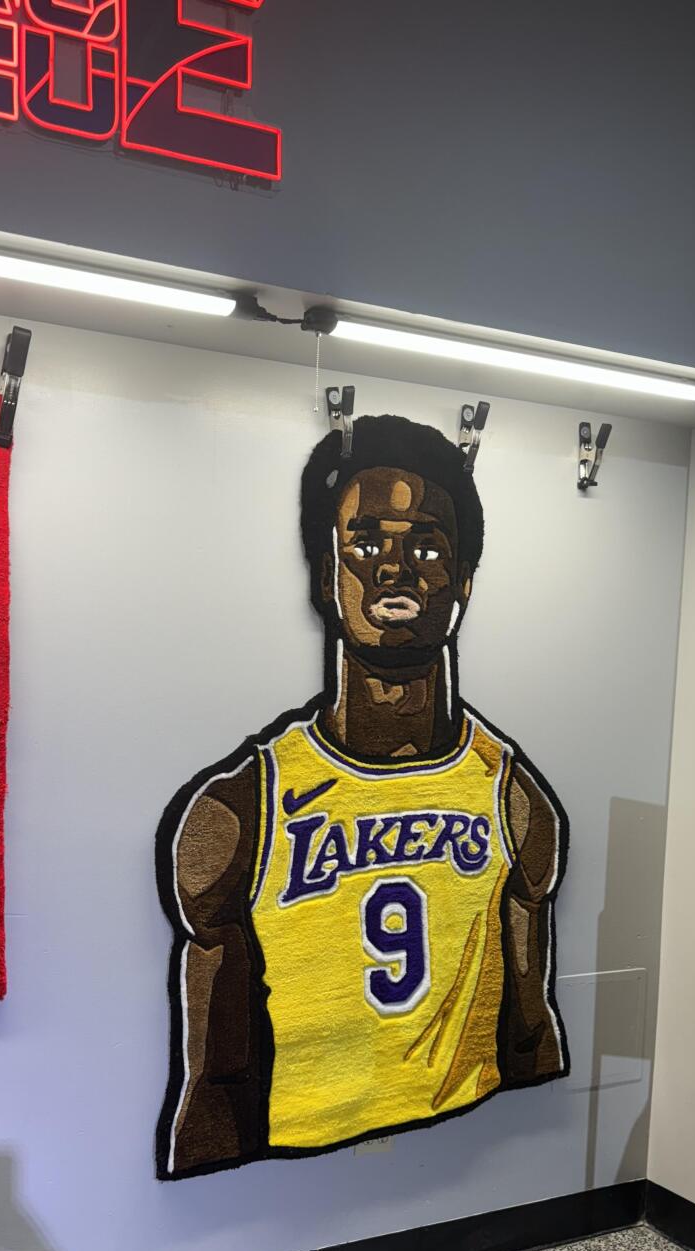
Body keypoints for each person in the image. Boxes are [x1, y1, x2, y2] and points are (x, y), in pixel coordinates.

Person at [156, 414, 568, 1179]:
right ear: (326, 576)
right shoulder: (241, 808)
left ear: (464, 584)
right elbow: (214, 1079)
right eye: (368, 544)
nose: (395, 569)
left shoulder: (511, 797)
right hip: (299, 1155)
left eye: (428, 548)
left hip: (473, 1151)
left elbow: (528, 1030)